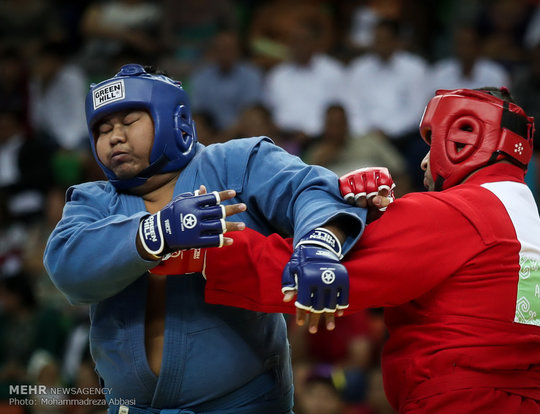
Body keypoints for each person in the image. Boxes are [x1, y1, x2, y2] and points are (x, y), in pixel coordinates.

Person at [190, 87, 540, 413]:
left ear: (464, 137)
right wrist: (371, 213)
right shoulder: (519, 214)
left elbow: (313, 272)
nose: (423, 162)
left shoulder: (464, 213)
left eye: (432, 145)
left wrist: (194, 242)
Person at [43, 64, 366, 414]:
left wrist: (319, 245)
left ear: (173, 119)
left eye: (128, 123)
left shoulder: (235, 163)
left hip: (245, 404)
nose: (114, 137)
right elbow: (66, 266)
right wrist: (157, 232)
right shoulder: (94, 200)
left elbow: (314, 190)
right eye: (102, 130)